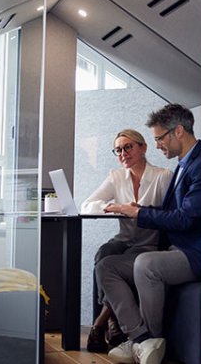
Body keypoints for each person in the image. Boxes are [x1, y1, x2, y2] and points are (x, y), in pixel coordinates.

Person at [101, 104, 201, 364]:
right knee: (107, 266)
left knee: (146, 264)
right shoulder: (183, 165)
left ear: (177, 131)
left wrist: (138, 214)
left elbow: (187, 218)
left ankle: (147, 343)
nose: (157, 145)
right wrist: (140, 209)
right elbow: (173, 211)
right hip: (179, 250)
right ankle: (142, 339)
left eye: (159, 138)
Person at [81, 129, 172, 353]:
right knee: (104, 251)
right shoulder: (116, 176)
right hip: (124, 239)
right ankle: (111, 321)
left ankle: (101, 322)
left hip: (149, 243)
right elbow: (87, 204)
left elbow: (172, 214)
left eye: (128, 147)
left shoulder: (162, 176)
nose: (123, 153)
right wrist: (112, 207)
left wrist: (139, 211)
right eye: (118, 149)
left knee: (110, 263)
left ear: (143, 148)